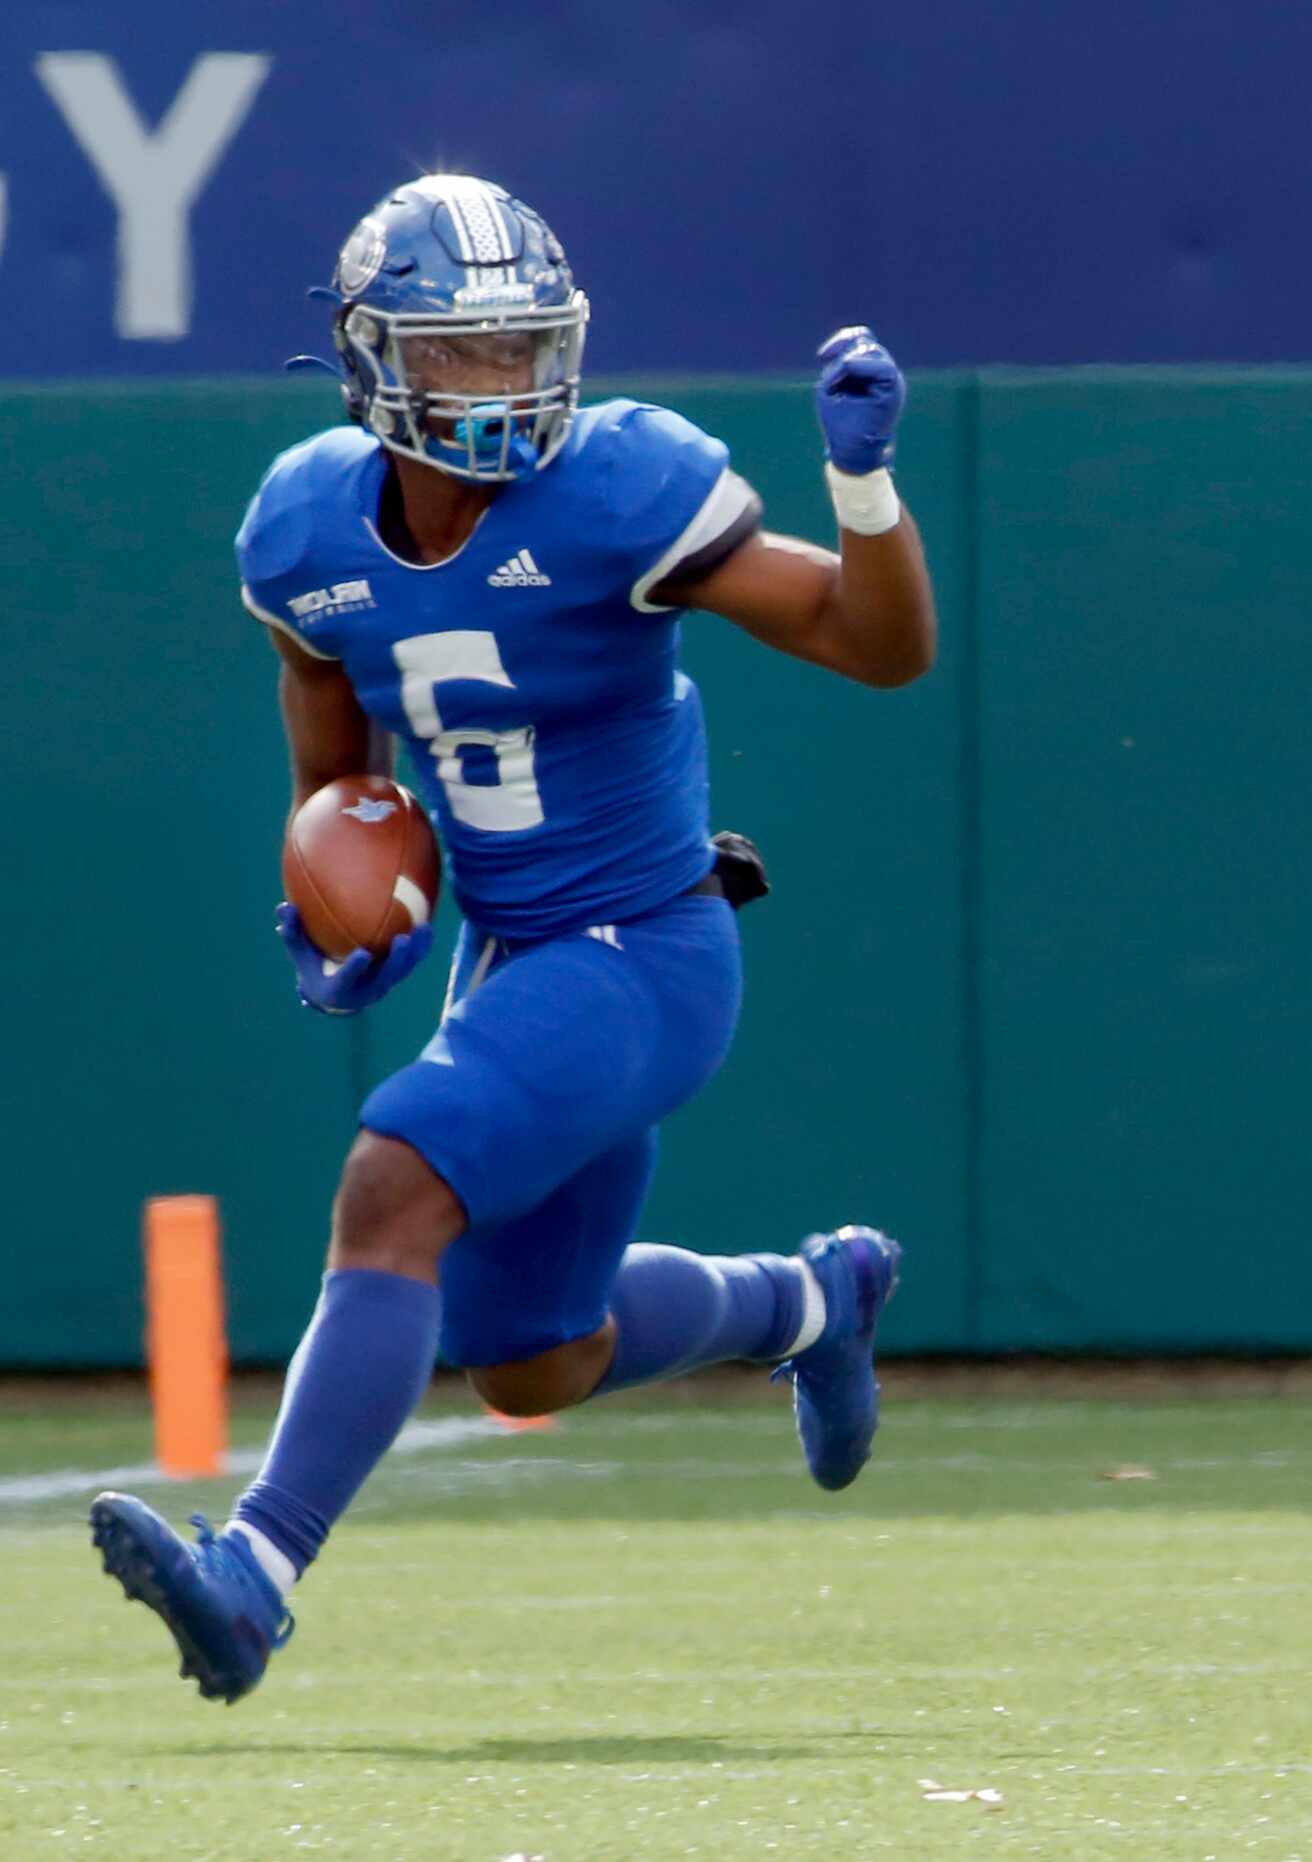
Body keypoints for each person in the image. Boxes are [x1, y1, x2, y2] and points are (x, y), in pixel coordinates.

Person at [88, 175, 936, 1704]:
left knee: (389, 1183)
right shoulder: (302, 528)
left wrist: (864, 489)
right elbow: (336, 741)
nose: (505, 386)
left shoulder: (618, 487)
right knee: (534, 1353)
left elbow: (878, 647)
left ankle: (255, 1574)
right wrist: (337, 891)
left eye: (524, 347)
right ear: (370, 362)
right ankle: (813, 1303)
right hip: (513, 959)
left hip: (648, 946)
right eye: (464, 356)